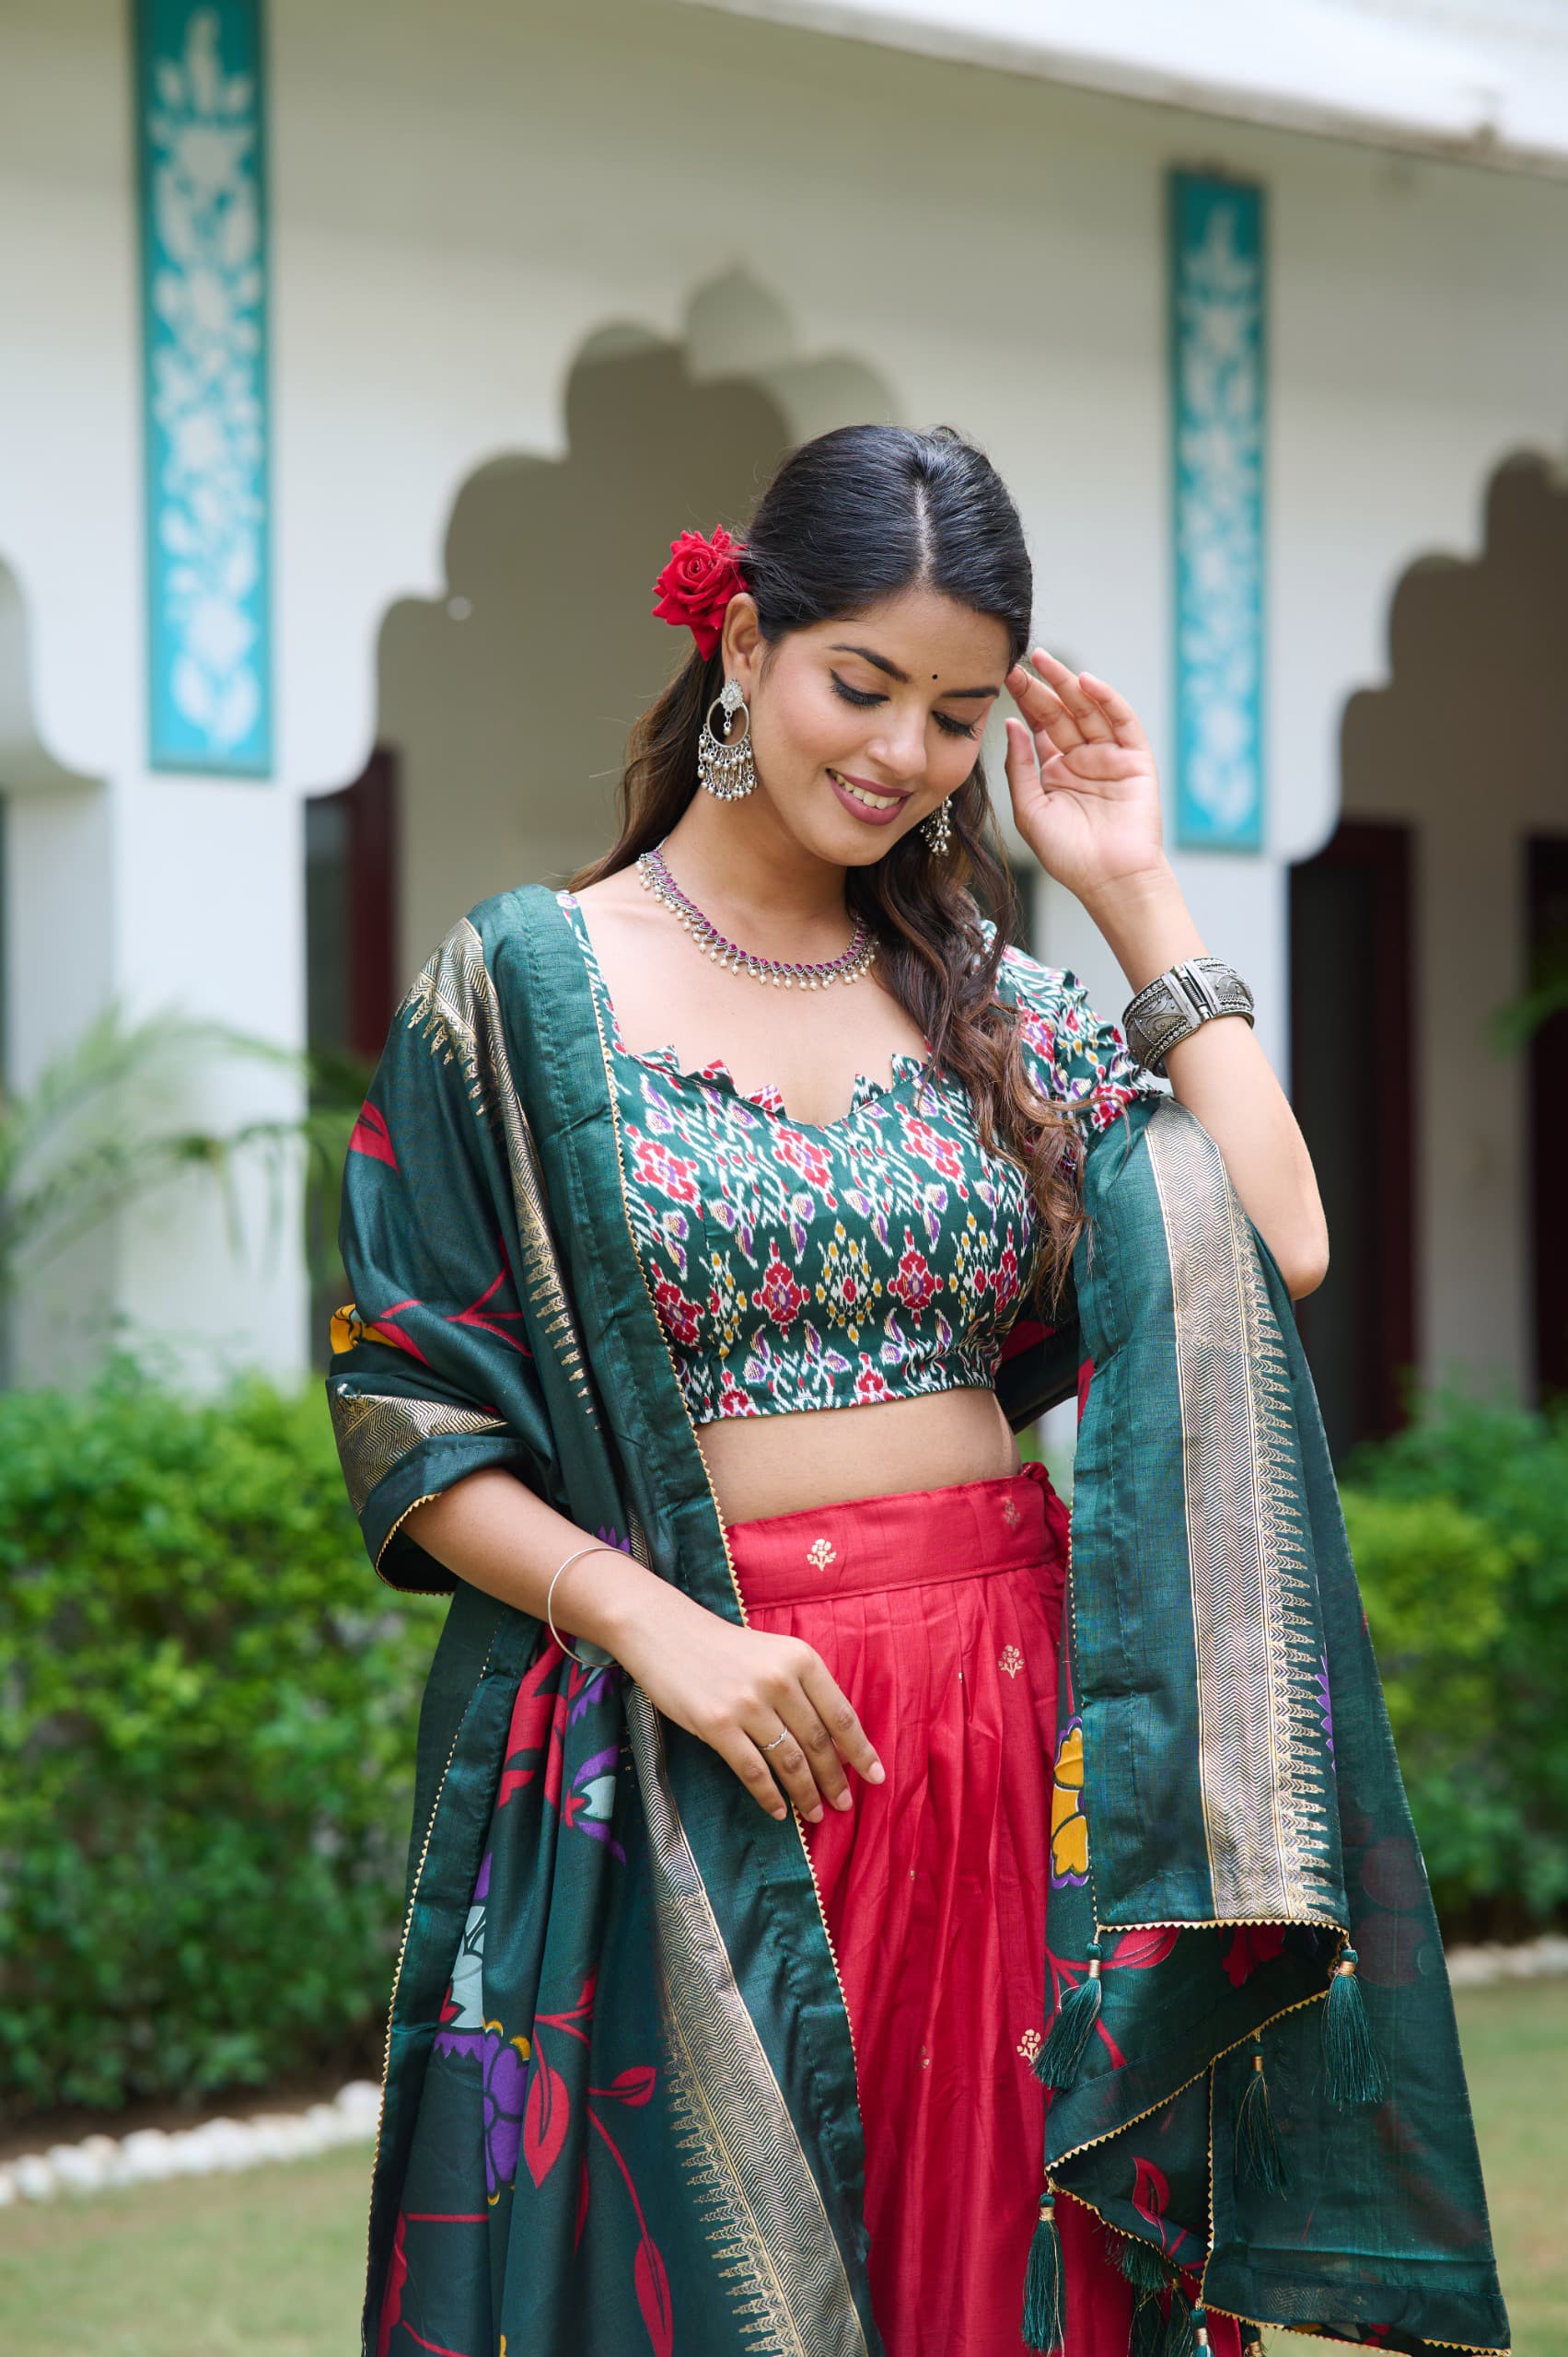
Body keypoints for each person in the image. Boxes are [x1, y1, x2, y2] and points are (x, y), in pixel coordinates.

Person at [328, 425, 1509, 2357]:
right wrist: (661, 1630)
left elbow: (1275, 1239)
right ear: (741, 645)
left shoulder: (992, 998)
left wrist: (1129, 890)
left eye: (957, 715)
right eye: (859, 683)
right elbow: (411, 1415)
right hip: (710, 1733)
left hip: (1013, 1738)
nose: (899, 752)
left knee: (1015, 2288)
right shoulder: (523, 989)